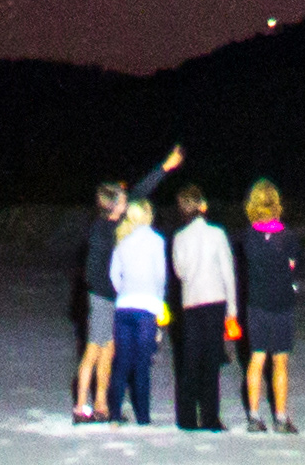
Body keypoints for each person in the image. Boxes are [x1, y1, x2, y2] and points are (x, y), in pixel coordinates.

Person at [163, 178, 238, 432]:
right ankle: (210, 417)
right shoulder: (217, 234)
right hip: (215, 300)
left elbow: (179, 271)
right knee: (211, 361)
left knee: (190, 360)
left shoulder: (179, 237)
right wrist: (233, 309)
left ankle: (186, 417)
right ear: (202, 206)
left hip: (191, 302)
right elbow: (228, 272)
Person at [106, 156, 177, 422]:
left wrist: (125, 291)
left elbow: (114, 274)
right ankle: (144, 417)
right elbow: (161, 277)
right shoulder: (157, 240)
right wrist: (160, 307)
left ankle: (114, 413)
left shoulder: (122, 241)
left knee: (121, 364)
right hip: (147, 309)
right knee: (142, 366)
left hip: (124, 307)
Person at [235, 179, 299, 431]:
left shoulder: (248, 237)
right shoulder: (289, 237)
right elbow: (292, 266)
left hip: (257, 305)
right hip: (282, 304)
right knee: (280, 361)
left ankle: (253, 416)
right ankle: (281, 418)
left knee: (257, 358)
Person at [62, 178, 128, 421]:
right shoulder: (101, 230)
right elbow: (91, 271)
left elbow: (141, 191)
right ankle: (81, 408)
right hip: (102, 299)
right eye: (122, 200)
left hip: (110, 298)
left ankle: (101, 405)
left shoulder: (114, 225)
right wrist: (109, 290)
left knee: (108, 351)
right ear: (112, 205)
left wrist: (164, 168)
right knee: (93, 351)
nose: (126, 203)